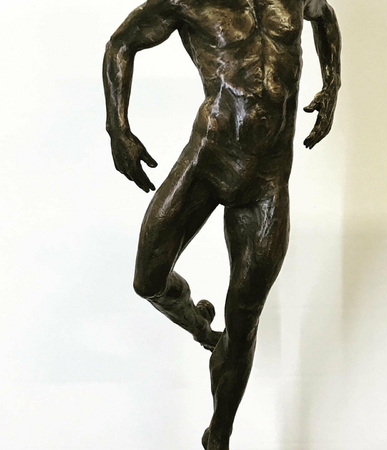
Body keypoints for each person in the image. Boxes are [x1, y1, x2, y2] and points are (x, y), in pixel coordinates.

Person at [103, 0, 340, 448]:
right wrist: (118, 129)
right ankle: (201, 326)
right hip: (208, 163)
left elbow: (324, 14)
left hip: (268, 182)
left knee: (245, 324)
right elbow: (121, 43)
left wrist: (333, 84)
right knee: (148, 280)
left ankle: (219, 436)